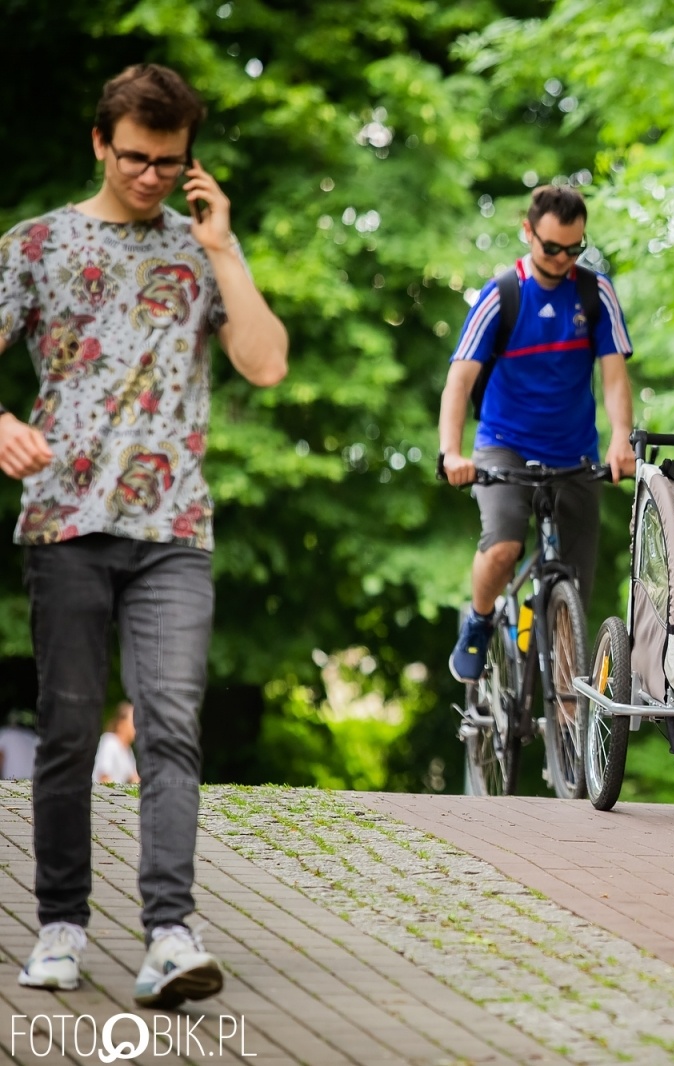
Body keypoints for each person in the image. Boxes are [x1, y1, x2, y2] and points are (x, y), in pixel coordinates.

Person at [0, 64, 288, 1005]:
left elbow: (267, 364)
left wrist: (226, 249)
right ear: (100, 143)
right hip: (66, 521)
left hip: (175, 529)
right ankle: (60, 926)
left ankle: (169, 933)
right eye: (136, 158)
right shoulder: (38, 245)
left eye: (170, 161)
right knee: (70, 731)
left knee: (170, 725)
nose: (153, 175)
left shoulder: (199, 250)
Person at [439, 184, 635, 682]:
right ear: (528, 232)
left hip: (573, 454)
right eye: (551, 248)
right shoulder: (503, 293)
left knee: (574, 599)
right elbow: (459, 381)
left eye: (574, 249)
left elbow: (614, 377)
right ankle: (480, 621)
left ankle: (566, 742)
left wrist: (620, 439)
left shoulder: (594, 292)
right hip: (504, 447)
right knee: (504, 546)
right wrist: (450, 452)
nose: (562, 259)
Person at [94, 701, 140, 784]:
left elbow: (135, 779)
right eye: (133, 721)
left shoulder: (128, 750)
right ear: (121, 723)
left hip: (116, 795)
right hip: (103, 795)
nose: (137, 726)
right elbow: (104, 779)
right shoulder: (110, 742)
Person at [0, 709, 38, 780]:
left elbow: (1, 759)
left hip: (13, 783)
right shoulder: (32, 736)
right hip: (34, 784)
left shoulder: (5, 734)